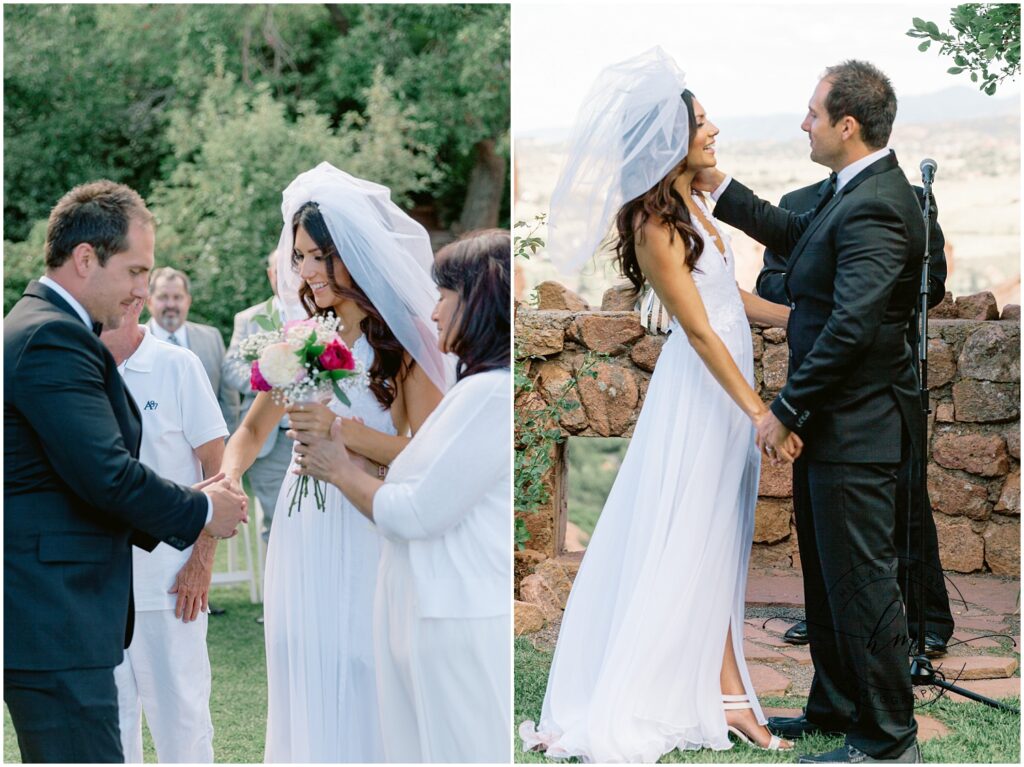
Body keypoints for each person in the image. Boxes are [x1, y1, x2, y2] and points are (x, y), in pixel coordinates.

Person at [519, 48, 797, 763]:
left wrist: (796, 316)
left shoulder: (694, 202)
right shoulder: (652, 222)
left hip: (724, 384)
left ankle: (720, 684)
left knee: (716, 536)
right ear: (670, 140)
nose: (713, 130)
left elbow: (729, 302)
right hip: (704, 395)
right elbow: (699, 331)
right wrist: (757, 408)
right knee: (694, 532)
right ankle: (730, 698)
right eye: (700, 123)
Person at [696, 60, 926, 763]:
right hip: (835, 425)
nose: (804, 122)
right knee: (828, 579)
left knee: (866, 583)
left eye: (812, 112)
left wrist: (785, 410)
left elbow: (851, 327)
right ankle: (835, 707)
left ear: (845, 125)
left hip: (858, 426)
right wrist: (717, 186)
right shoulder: (849, 190)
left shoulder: (883, 204)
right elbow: (796, 233)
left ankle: (889, 738)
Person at [3, 179, 247, 763]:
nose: (144, 289)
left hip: (68, 608)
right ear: (86, 258)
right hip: (57, 612)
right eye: (136, 271)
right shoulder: (51, 337)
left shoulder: (39, 325)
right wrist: (205, 510)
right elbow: (106, 474)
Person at [220, 162, 449, 762]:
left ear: (354, 254)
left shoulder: (403, 340)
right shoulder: (301, 338)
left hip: (365, 515)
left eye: (322, 256)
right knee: (300, 651)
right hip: (301, 524)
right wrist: (229, 475)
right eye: (301, 258)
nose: (310, 272)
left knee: (360, 656)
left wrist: (341, 433)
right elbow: (250, 430)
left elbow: (430, 454)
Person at [293, 229, 512, 763]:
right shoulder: (472, 391)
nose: (434, 312)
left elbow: (415, 512)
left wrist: (340, 469)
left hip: (456, 616)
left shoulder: (488, 395)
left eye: (445, 297)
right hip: (431, 612)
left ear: (479, 304)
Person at [757, 182, 953, 657]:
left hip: (884, 380)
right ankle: (824, 615)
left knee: (905, 500)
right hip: (817, 375)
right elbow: (768, 282)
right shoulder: (796, 204)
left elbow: (935, 283)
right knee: (817, 511)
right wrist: (829, 289)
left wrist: (851, 293)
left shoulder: (907, 197)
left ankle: (927, 619)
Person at [102, 299, 227, 763]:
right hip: (95, 588)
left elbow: (220, 470)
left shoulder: (178, 366)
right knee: (108, 736)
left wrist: (201, 560)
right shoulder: (75, 366)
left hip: (171, 586)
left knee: (184, 730)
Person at [223, 250, 292, 543]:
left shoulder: (319, 315)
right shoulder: (249, 318)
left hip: (310, 434)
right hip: (267, 438)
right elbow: (231, 368)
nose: (284, 277)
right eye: (278, 271)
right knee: (278, 523)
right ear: (270, 274)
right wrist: (267, 378)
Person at [147, 266, 239, 431]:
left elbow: (229, 402)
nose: (171, 304)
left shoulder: (211, 339)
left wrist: (223, 448)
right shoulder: (135, 343)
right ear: (149, 301)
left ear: (188, 301)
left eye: (177, 297)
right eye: (163, 297)